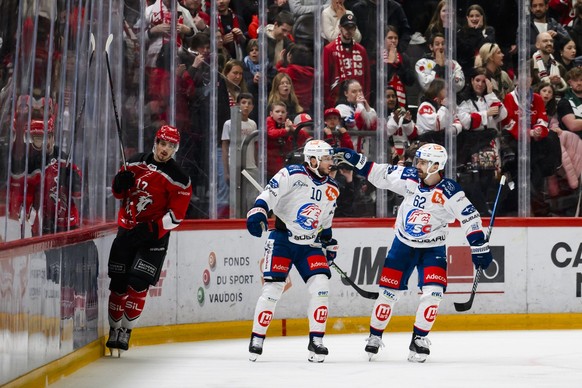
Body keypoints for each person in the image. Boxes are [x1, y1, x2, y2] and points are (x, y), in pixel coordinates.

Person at [333, 143, 493, 363]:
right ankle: (375, 336)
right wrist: (356, 159)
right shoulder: (409, 177)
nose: (417, 165)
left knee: (434, 293)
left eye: (423, 162)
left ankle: (419, 338)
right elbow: (379, 173)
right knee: (388, 294)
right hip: (403, 246)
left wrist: (478, 245)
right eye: (418, 160)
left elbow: (469, 217)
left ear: (437, 166)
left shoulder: (450, 191)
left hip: (433, 249)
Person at [246, 139, 339, 363]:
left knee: (321, 287)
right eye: (326, 158)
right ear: (313, 159)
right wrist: (259, 210)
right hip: (283, 240)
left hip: (310, 245)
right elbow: (270, 193)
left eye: (330, 158)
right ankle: (257, 337)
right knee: (273, 289)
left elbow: (326, 218)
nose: (330, 162)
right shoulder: (292, 174)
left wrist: (327, 240)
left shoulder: (332, 188)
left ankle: (316, 340)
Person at [105, 125, 192, 354]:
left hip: (153, 237)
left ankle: (126, 330)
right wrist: (118, 184)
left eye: (171, 146)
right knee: (118, 283)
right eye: (163, 144)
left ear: (176, 149)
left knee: (139, 282)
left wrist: (151, 230)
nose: (165, 149)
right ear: (156, 142)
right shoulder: (133, 162)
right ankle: (113, 330)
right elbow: (119, 194)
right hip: (127, 228)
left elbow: (176, 217)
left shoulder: (180, 179)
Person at [323, 13, 371, 109]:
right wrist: (328, 103)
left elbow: (367, 79)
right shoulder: (329, 49)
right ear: (340, 27)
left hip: (359, 101)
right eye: (346, 27)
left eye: (352, 28)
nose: (349, 31)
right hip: (336, 100)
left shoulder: (361, 50)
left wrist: (366, 101)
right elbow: (325, 78)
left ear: (355, 29)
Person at [266, 101, 311, 179]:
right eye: (277, 111)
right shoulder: (268, 120)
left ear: (286, 113)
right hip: (269, 163)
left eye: (283, 112)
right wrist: (286, 130)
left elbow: (305, 135)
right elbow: (271, 133)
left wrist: (292, 129)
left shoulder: (286, 123)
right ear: (271, 113)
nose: (280, 114)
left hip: (282, 162)